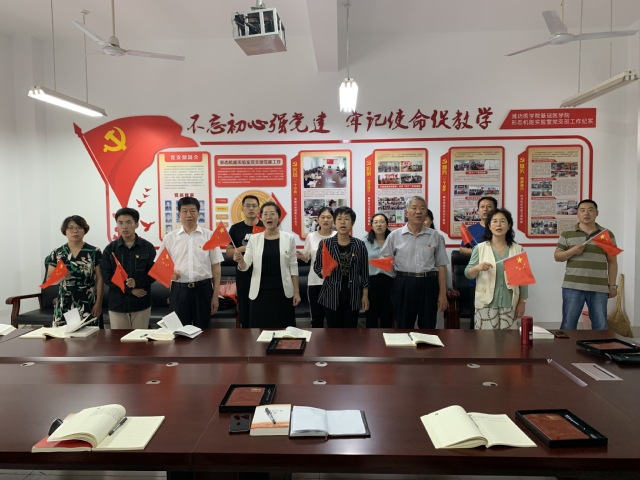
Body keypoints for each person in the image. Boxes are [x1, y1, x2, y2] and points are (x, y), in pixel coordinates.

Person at [380, 196, 447, 329]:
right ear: (406, 213)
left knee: (428, 327)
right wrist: (396, 280)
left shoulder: (435, 236)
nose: (418, 212)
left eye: (422, 208)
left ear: (426, 213)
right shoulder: (395, 236)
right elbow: (384, 262)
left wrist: (443, 294)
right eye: (414, 208)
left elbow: (441, 265)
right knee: (403, 326)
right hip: (404, 284)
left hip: (428, 284)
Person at [233, 201, 300, 328]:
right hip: (260, 292)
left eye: (272, 214)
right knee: (259, 330)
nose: (269, 217)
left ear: (278, 217)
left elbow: (293, 266)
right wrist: (240, 260)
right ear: (261, 217)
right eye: (265, 214)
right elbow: (245, 266)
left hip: (283, 291)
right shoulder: (254, 239)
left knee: (284, 330)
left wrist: (296, 292)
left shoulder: (289, 238)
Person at [554, 199, 618, 330]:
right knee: (568, 324)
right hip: (572, 286)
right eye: (582, 210)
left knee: (600, 325)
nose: (586, 213)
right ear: (577, 213)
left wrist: (612, 286)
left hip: (599, 287)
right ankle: (568, 345)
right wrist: (573, 251)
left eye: (590, 210)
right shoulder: (567, 233)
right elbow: (557, 257)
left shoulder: (606, 234)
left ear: (597, 213)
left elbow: (612, 262)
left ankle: (598, 345)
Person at [160, 197, 223, 329]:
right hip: (179, 290)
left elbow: (216, 267)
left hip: (203, 289)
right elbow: (160, 266)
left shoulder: (209, 236)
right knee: (179, 331)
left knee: (204, 331)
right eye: (184, 211)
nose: (189, 215)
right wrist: (170, 274)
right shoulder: (170, 238)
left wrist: (215, 296)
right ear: (179, 214)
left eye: (193, 211)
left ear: (198, 213)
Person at [463, 209, 528, 329]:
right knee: (485, 339)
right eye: (495, 221)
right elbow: (468, 273)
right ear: (489, 225)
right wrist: (477, 268)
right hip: (485, 304)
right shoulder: (480, 248)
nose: (499, 225)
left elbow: (523, 280)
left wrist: (522, 302)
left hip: (509, 304)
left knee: (509, 339)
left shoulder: (517, 249)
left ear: (509, 225)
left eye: (502, 221)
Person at [313, 206, 369, 328]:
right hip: (330, 295)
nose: (343, 222)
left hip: (353, 295)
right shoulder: (325, 244)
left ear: (352, 223)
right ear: (334, 222)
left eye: (347, 219)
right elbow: (317, 266)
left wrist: (365, 296)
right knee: (333, 332)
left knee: (351, 331)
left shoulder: (360, 245)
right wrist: (323, 272)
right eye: (339, 219)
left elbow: (365, 273)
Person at [101, 207, 156, 329]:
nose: (124, 227)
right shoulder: (110, 249)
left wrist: (137, 283)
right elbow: (106, 277)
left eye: (128, 222)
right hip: (118, 304)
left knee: (140, 339)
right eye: (120, 223)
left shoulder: (148, 247)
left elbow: (153, 274)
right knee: (119, 340)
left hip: (141, 303)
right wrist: (130, 290)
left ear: (136, 224)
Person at [44, 215, 103, 327]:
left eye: (79, 227)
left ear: (84, 230)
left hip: (88, 302)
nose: (75, 231)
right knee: (65, 336)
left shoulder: (94, 252)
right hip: (65, 302)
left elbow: (100, 278)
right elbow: (49, 280)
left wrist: (99, 303)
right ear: (65, 231)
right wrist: (62, 276)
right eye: (70, 228)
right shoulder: (57, 253)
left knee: (90, 335)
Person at [226, 195, 264, 328]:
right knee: (245, 311)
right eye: (248, 206)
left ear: (258, 209)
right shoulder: (235, 228)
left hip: (263, 275)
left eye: (254, 206)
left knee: (262, 311)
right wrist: (243, 249)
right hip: (244, 276)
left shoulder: (265, 226)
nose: (251, 208)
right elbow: (229, 252)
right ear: (242, 209)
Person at [297, 206, 336, 327]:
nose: (326, 220)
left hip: (334, 282)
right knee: (317, 319)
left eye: (329, 217)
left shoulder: (338, 235)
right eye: (322, 217)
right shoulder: (311, 236)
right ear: (318, 219)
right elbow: (307, 257)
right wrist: (301, 256)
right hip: (315, 282)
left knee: (333, 319)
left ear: (333, 219)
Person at [363, 213, 394, 328]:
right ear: (371, 226)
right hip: (371, 284)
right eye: (375, 222)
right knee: (371, 319)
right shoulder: (364, 242)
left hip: (390, 284)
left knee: (388, 319)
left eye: (382, 222)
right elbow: (362, 268)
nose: (379, 224)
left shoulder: (394, 240)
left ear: (387, 224)